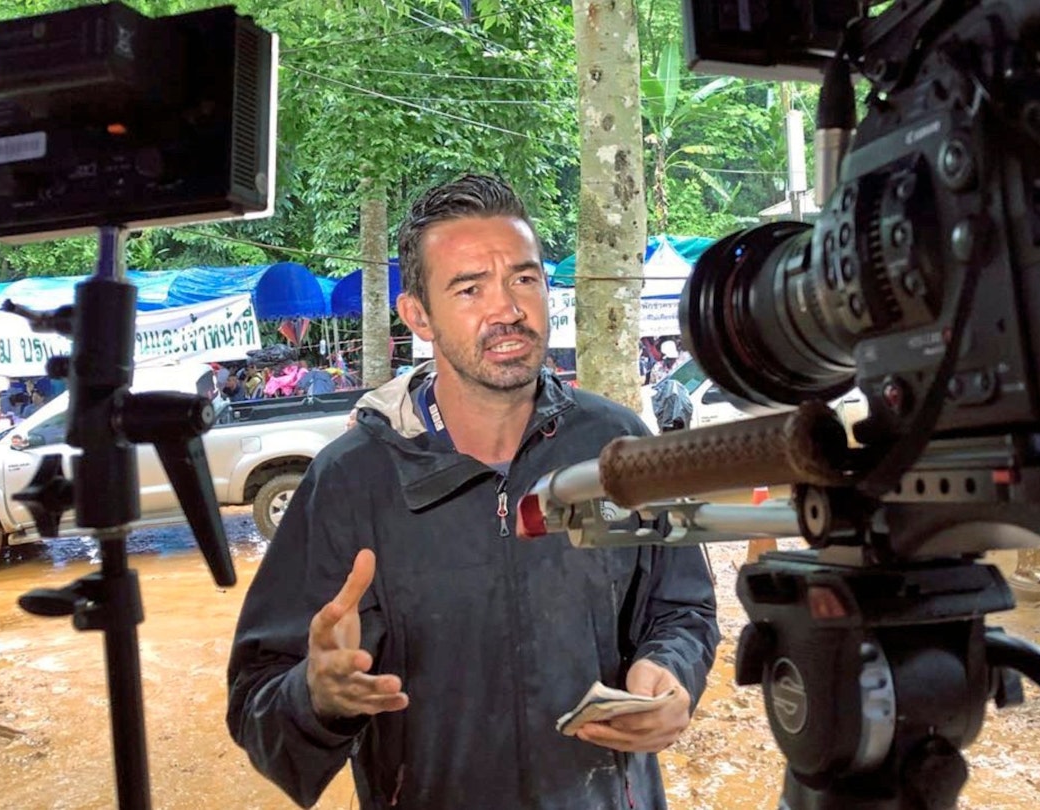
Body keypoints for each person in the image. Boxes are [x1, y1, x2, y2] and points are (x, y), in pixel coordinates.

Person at [227, 174, 719, 810]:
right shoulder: (350, 481)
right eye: (469, 288)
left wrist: (671, 673)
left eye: (524, 278)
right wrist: (317, 697)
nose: (508, 308)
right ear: (418, 316)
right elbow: (257, 701)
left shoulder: (618, 447)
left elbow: (684, 609)